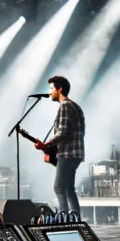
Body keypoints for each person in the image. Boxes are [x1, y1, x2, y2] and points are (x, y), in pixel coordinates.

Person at [36, 75, 85, 216]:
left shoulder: (65, 106)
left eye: (51, 88)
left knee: (58, 187)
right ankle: (75, 219)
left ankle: (64, 218)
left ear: (59, 89)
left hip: (67, 153)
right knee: (69, 189)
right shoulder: (74, 106)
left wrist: (47, 143)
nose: (50, 92)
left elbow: (63, 132)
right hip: (75, 153)